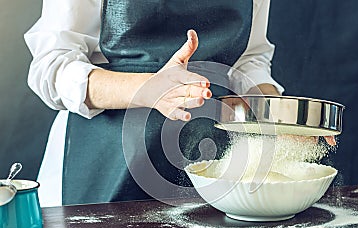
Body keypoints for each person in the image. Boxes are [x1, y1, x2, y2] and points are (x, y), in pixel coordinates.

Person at [25, 0, 298, 207]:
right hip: (105, 157)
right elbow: (52, 68)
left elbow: (248, 60)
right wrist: (147, 88)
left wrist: (277, 121)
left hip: (210, 159)